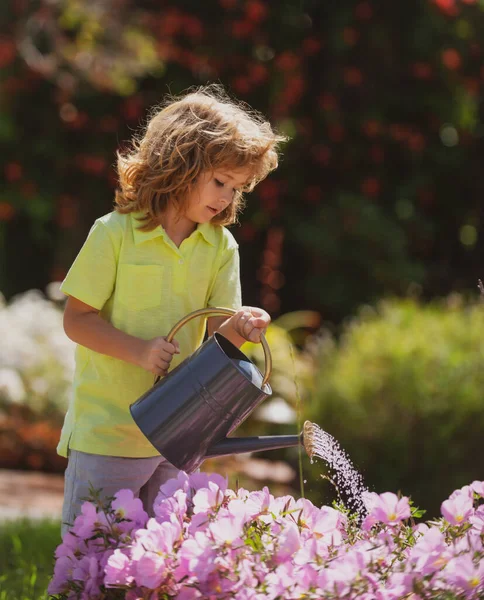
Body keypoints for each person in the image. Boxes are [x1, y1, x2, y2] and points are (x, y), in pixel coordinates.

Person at [57, 84, 286, 535]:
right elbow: (76, 319)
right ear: (180, 164)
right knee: (91, 561)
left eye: (237, 188)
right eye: (220, 181)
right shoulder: (115, 234)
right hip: (108, 435)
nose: (226, 197)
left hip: (179, 437)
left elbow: (221, 342)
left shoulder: (220, 246)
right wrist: (140, 352)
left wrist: (242, 326)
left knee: (161, 564)